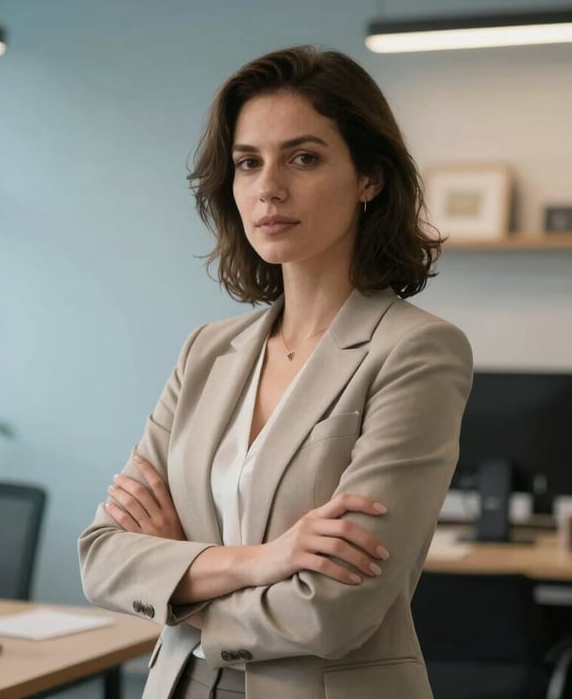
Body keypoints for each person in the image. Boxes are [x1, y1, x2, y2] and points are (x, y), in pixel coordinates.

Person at [78, 45, 473, 699]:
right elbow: (102, 558)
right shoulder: (206, 350)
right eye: (247, 163)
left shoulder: (417, 351)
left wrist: (177, 581)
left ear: (369, 177)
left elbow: (331, 610)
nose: (269, 188)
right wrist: (263, 561)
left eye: (305, 157)